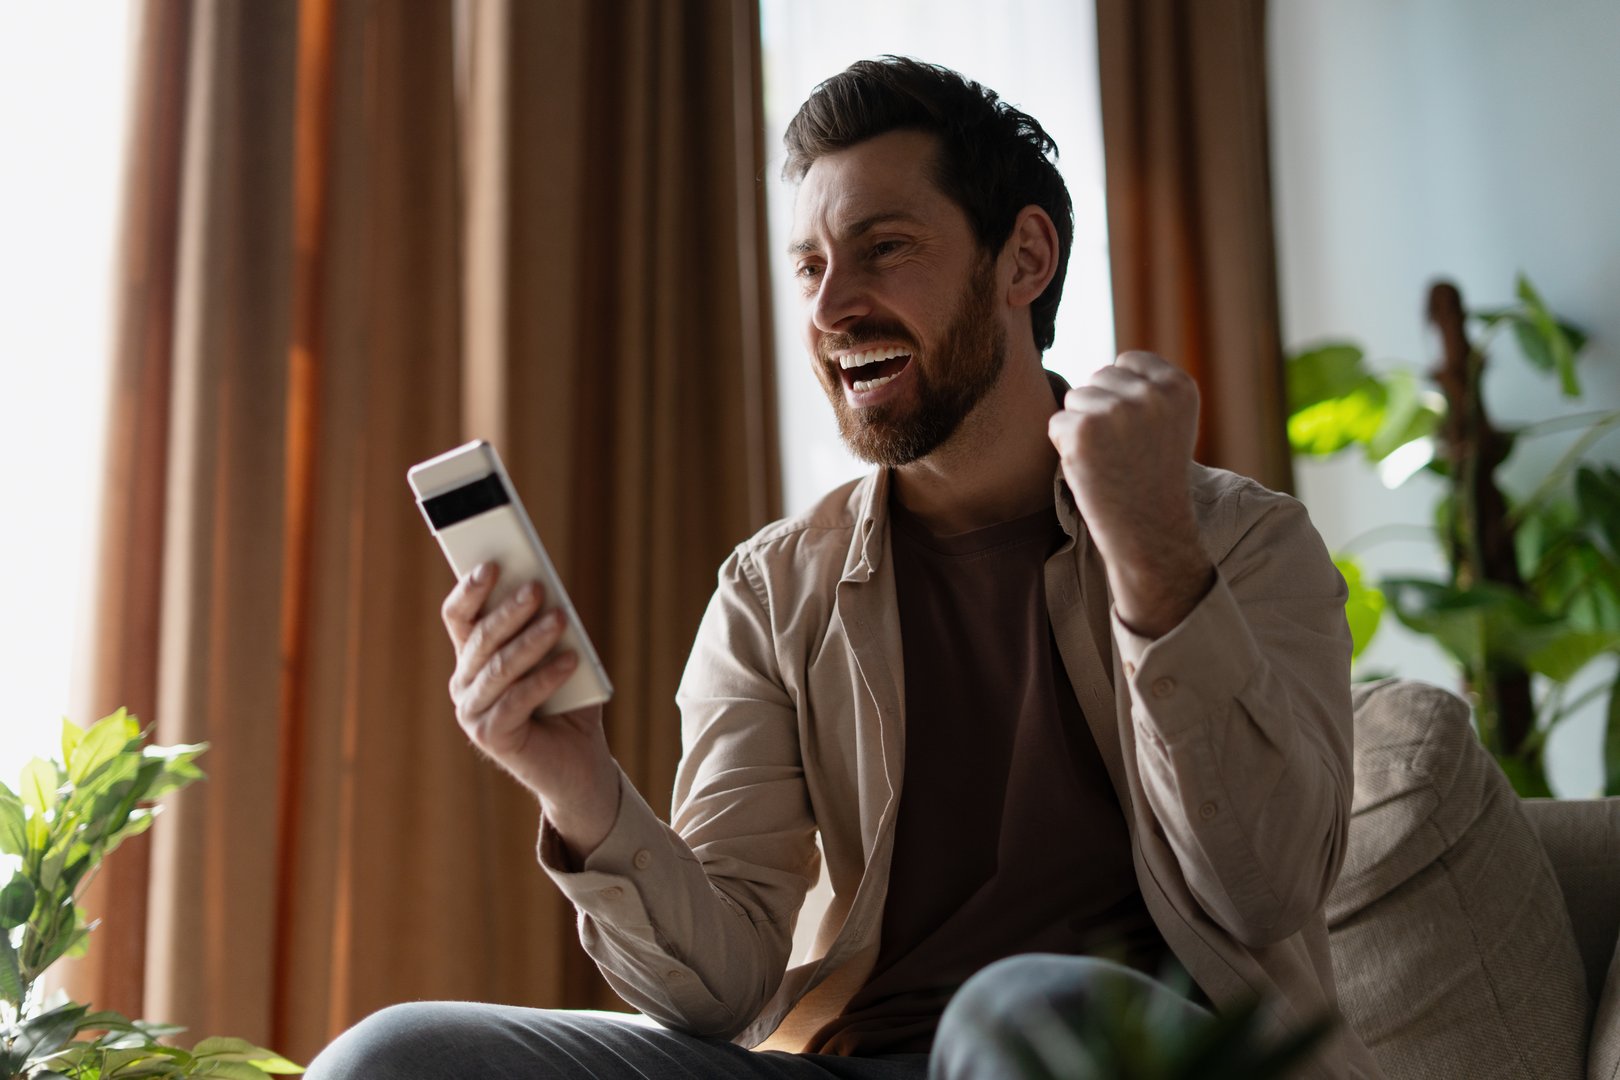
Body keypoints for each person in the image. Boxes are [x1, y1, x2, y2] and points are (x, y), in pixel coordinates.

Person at [308, 57, 1380, 1079]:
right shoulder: (774, 591)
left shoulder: (1238, 540)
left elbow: (1264, 888)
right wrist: (575, 782)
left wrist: (1149, 552)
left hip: (1142, 1054)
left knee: (1021, 1014)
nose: (829, 311)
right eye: (812, 267)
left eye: (884, 248)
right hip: (853, 1061)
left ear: (1024, 259)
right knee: (394, 1059)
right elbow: (721, 991)